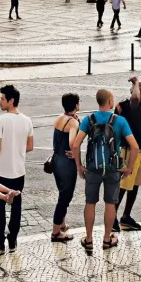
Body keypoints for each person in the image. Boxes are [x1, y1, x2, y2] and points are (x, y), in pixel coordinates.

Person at [72, 89, 139, 252]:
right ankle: (107, 239)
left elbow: (75, 144)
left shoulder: (89, 120)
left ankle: (88, 239)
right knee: (110, 203)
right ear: (110, 101)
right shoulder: (120, 121)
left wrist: (79, 166)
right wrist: (129, 167)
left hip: (93, 168)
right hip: (113, 168)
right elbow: (135, 146)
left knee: (90, 202)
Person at [0, 84, 33, 253]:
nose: (0, 101)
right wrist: (17, 148)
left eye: (2, 98)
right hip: (18, 171)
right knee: (16, 205)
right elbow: (30, 146)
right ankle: (12, 239)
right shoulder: (27, 120)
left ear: (11, 100)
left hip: (1, 170)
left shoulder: (0, 120)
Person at [114, 77, 141, 233]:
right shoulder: (129, 106)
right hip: (130, 152)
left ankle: (126, 216)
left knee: (135, 185)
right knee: (123, 187)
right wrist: (136, 83)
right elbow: (135, 99)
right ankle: (112, 218)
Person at [50, 93, 81, 243]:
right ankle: (56, 231)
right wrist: (75, 154)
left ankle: (61, 223)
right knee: (65, 198)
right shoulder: (72, 123)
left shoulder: (59, 118)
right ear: (75, 105)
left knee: (62, 192)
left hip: (56, 160)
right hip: (66, 164)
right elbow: (72, 143)